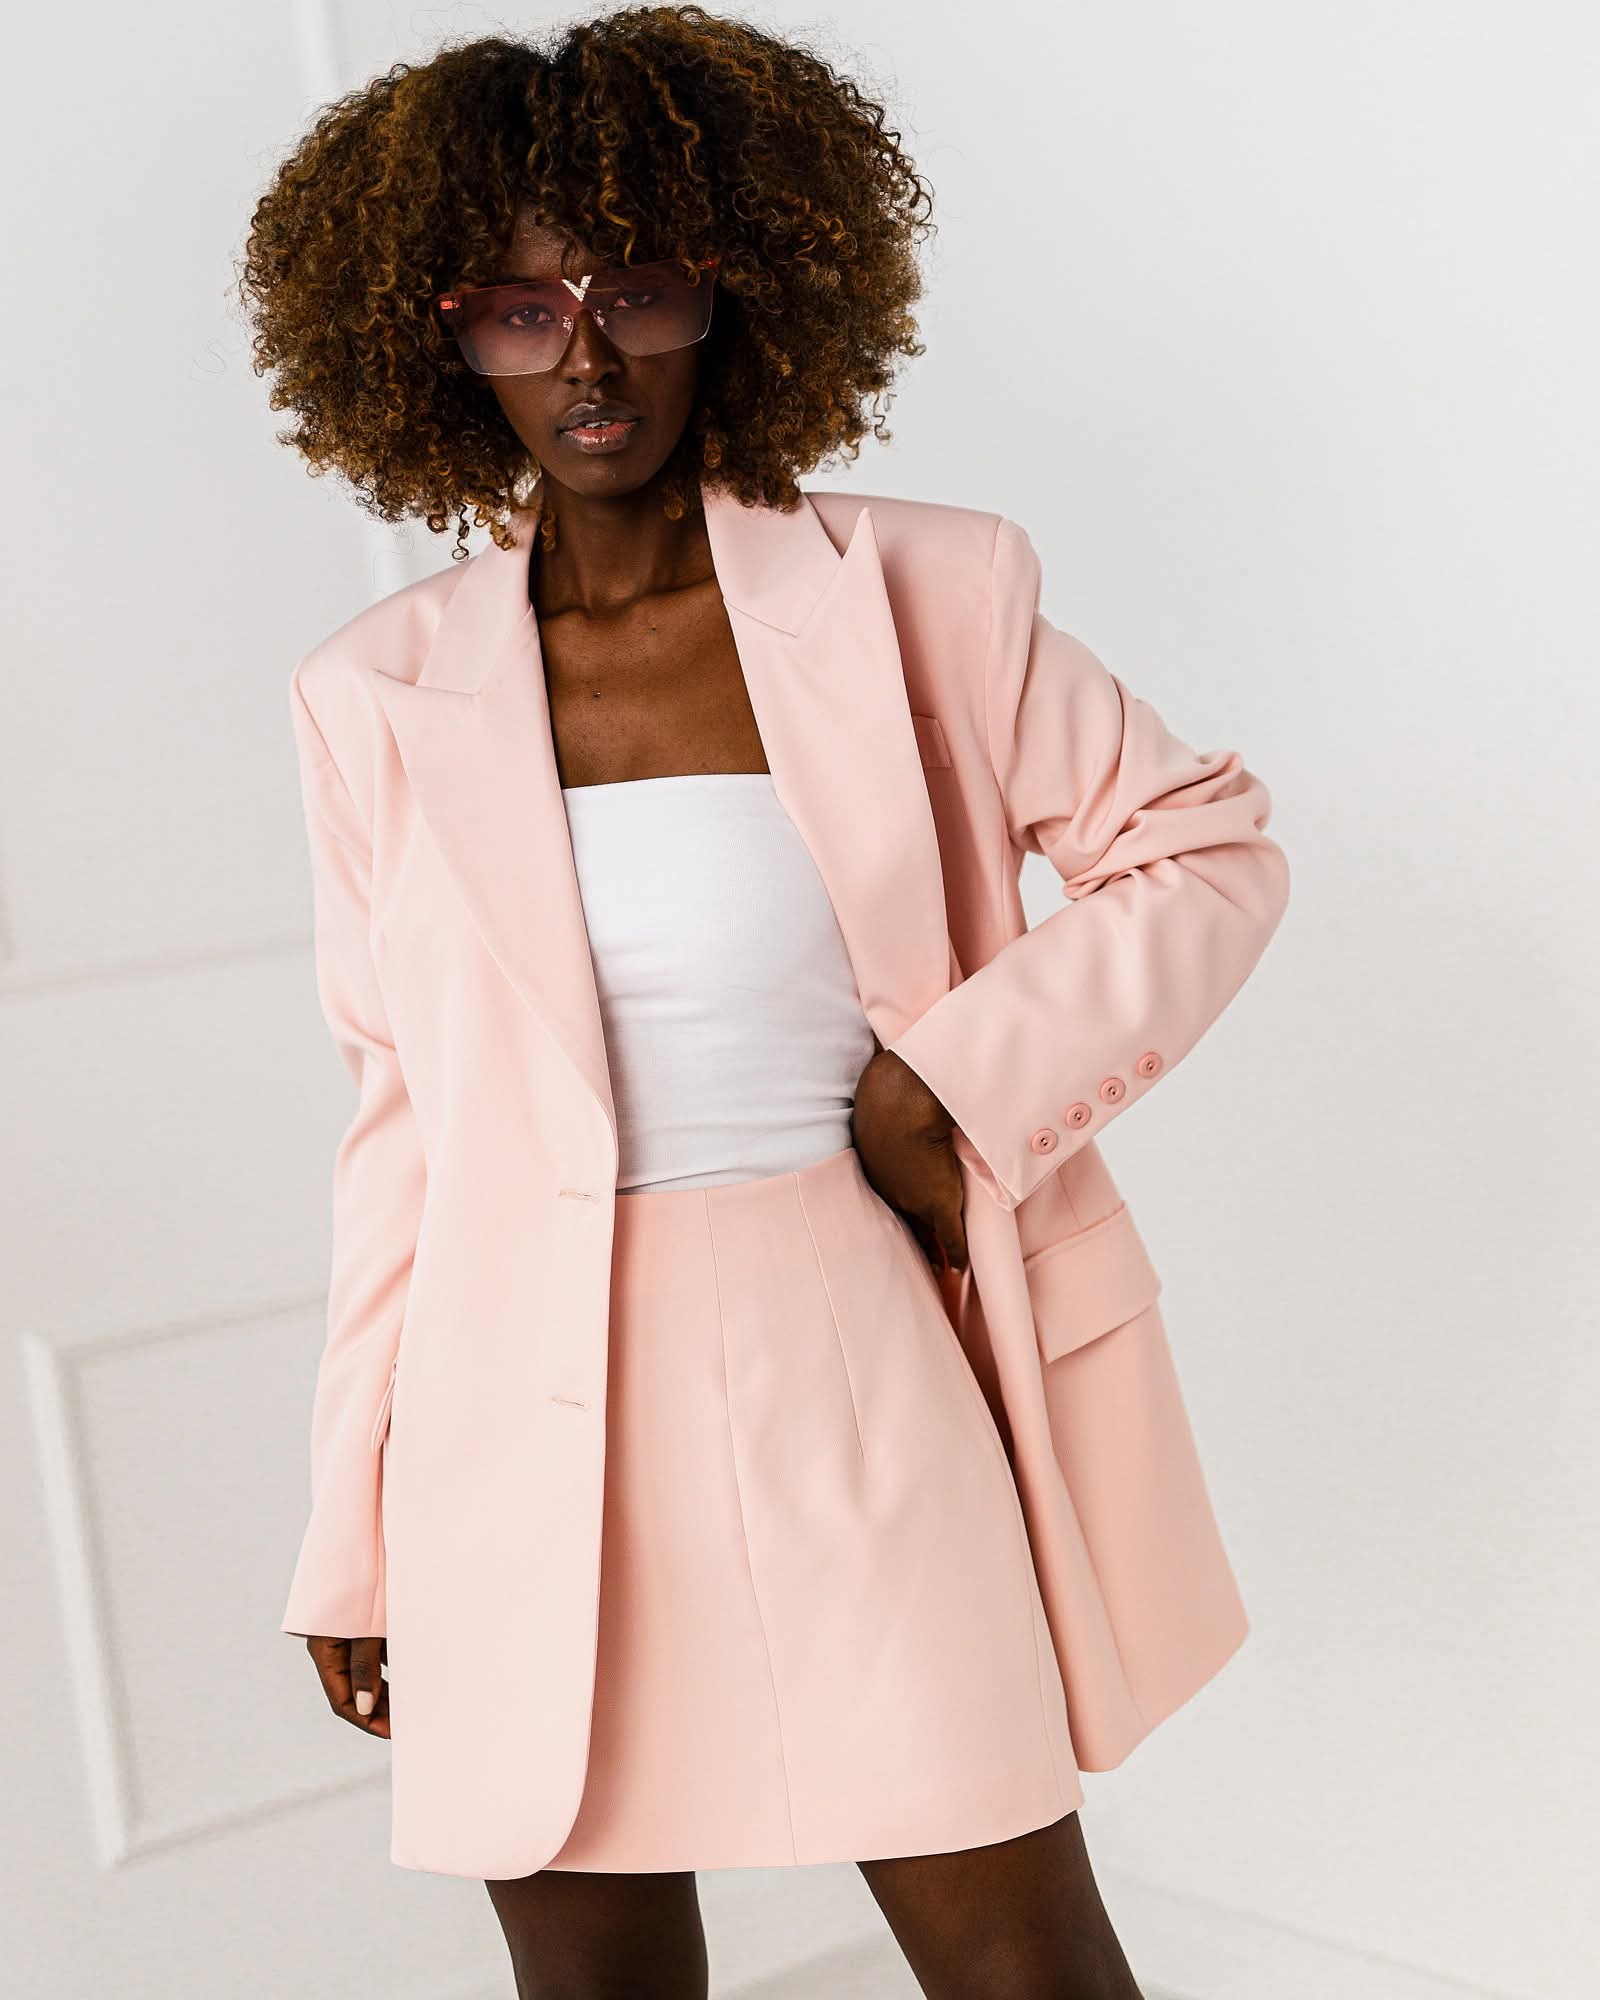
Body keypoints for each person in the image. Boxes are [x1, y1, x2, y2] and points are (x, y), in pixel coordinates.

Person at [239, 9, 1289, 1995]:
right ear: (439, 345)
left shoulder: (924, 593)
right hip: (511, 1419)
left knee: (1024, 1966)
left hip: (850, 1372)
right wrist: (350, 1525)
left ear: (733, 295)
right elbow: (402, 1126)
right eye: (517, 312)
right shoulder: (370, 695)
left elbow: (1201, 843)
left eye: (632, 294)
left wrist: (951, 1085)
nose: (585, 359)